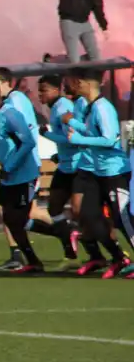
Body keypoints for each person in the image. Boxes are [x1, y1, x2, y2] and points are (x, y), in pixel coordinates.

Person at [64, 67, 134, 278]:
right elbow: (91, 131)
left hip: (114, 172)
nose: (73, 85)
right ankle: (118, 258)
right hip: (98, 172)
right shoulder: (91, 107)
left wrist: (78, 140)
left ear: (86, 82)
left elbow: (109, 139)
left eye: (76, 81)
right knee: (89, 217)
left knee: (122, 218)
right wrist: (73, 124)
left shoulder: (103, 108)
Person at [0, 81, 44, 273]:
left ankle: (63, 232)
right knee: (11, 220)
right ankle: (33, 261)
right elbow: (4, 146)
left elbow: (27, 142)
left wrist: (10, 166)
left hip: (22, 175)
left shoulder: (10, 113)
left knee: (18, 220)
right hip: (9, 176)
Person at [35, 74, 103, 269]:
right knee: (54, 209)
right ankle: (71, 250)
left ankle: (100, 252)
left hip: (75, 166)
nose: (41, 95)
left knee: (79, 211)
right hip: (65, 165)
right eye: (39, 91)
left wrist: (45, 134)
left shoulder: (63, 107)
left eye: (44, 90)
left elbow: (70, 138)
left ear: (56, 90)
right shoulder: (56, 107)